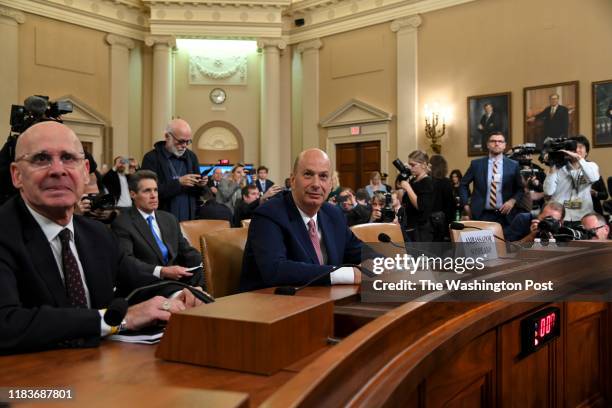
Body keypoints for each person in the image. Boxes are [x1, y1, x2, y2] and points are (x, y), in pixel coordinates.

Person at [0, 122, 201, 354]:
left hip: (103, 373)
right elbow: (6, 323)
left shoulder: (96, 233)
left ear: (85, 171)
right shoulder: (6, 231)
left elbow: (133, 279)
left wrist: (175, 296)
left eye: (68, 158)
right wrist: (112, 320)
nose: (57, 170)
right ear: (16, 175)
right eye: (41, 159)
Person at [240, 148, 363, 291]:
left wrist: (385, 263)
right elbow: (275, 270)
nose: (316, 184)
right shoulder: (269, 214)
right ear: (292, 180)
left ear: (330, 185)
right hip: (271, 305)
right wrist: (346, 274)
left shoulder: (333, 214)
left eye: (323, 176)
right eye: (308, 174)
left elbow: (359, 251)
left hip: (324, 300)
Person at [111, 170, 204, 292]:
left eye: (155, 190)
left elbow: (186, 251)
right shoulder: (122, 223)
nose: (153, 195)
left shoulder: (169, 218)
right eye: (147, 191)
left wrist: (204, 263)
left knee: (205, 277)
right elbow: (127, 262)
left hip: (176, 280)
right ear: (133, 194)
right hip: (148, 284)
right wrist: (162, 271)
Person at [141, 119, 207, 222]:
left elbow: (198, 193)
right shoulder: (151, 158)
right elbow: (148, 193)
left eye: (187, 141)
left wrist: (200, 185)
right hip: (162, 218)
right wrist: (179, 183)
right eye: (180, 141)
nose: (184, 145)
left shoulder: (191, 157)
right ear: (167, 136)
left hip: (188, 218)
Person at [459, 132, 524, 226]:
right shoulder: (476, 164)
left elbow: (520, 189)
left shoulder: (513, 165)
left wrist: (512, 201)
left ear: (504, 145)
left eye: (500, 141)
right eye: (493, 141)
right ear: (488, 145)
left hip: (505, 216)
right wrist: (465, 204)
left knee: (503, 240)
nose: (497, 143)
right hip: (481, 214)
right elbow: (463, 185)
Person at [543, 135, 600, 226]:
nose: (577, 150)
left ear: (586, 152)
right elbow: (548, 191)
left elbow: (594, 177)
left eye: (580, 147)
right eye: (573, 147)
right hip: (561, 217)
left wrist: (579, 158)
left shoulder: (591, 166)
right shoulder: (558, 168)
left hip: (583, 217)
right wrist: (552, 167)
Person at [399, 151, 434, 242]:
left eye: (413, 165)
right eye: (409, 165)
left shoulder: (427, 182)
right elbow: (404, 201)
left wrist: (407, 187)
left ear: (423, 165)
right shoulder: (413, 180)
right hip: (410, 225)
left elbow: (420, 206)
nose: (410, 168)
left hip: (421, 229)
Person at [430, 155, 454, 241]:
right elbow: (450, 207)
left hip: (428, 222)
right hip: (441, 222)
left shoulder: (427, 181)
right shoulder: (446, 182)